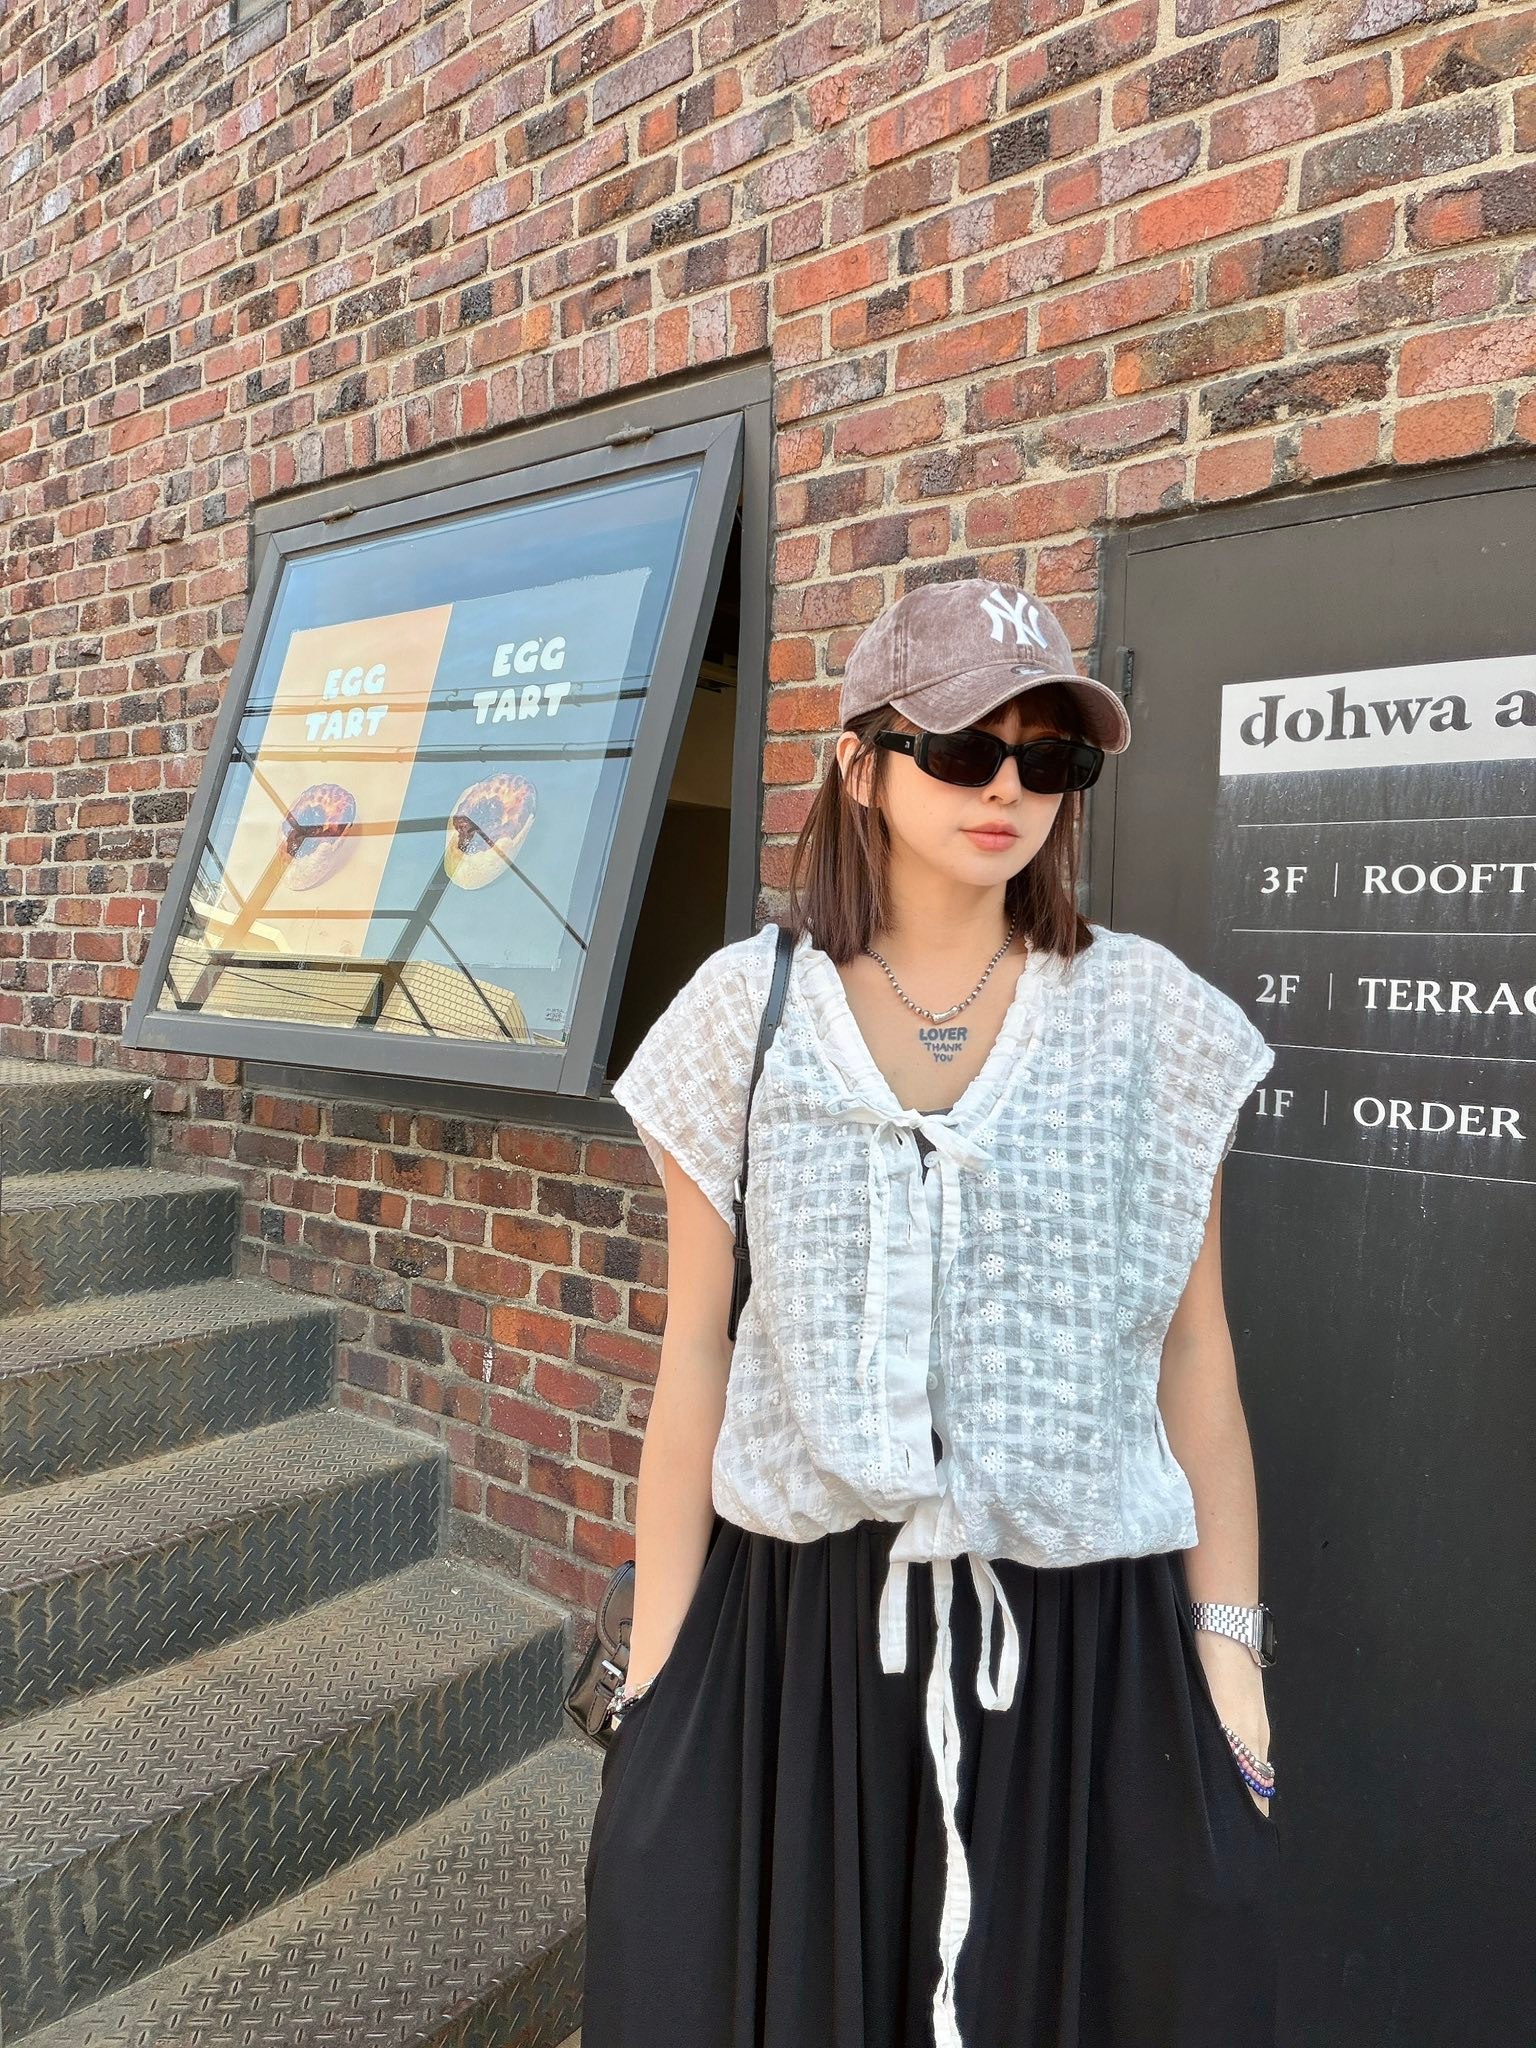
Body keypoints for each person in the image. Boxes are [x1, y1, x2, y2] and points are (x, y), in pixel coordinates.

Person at [584, 577, 1282, 2048]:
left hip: (1089, 1647)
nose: (1007, 789)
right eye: (965, 749)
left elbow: (1196, 1353)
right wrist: (656, 1676)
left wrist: (1230, 1652)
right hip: (797, 1651)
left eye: (1051, 757)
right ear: (862, 765)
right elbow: (697, 1350)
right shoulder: (742, 1013)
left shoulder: (1154, 1020)